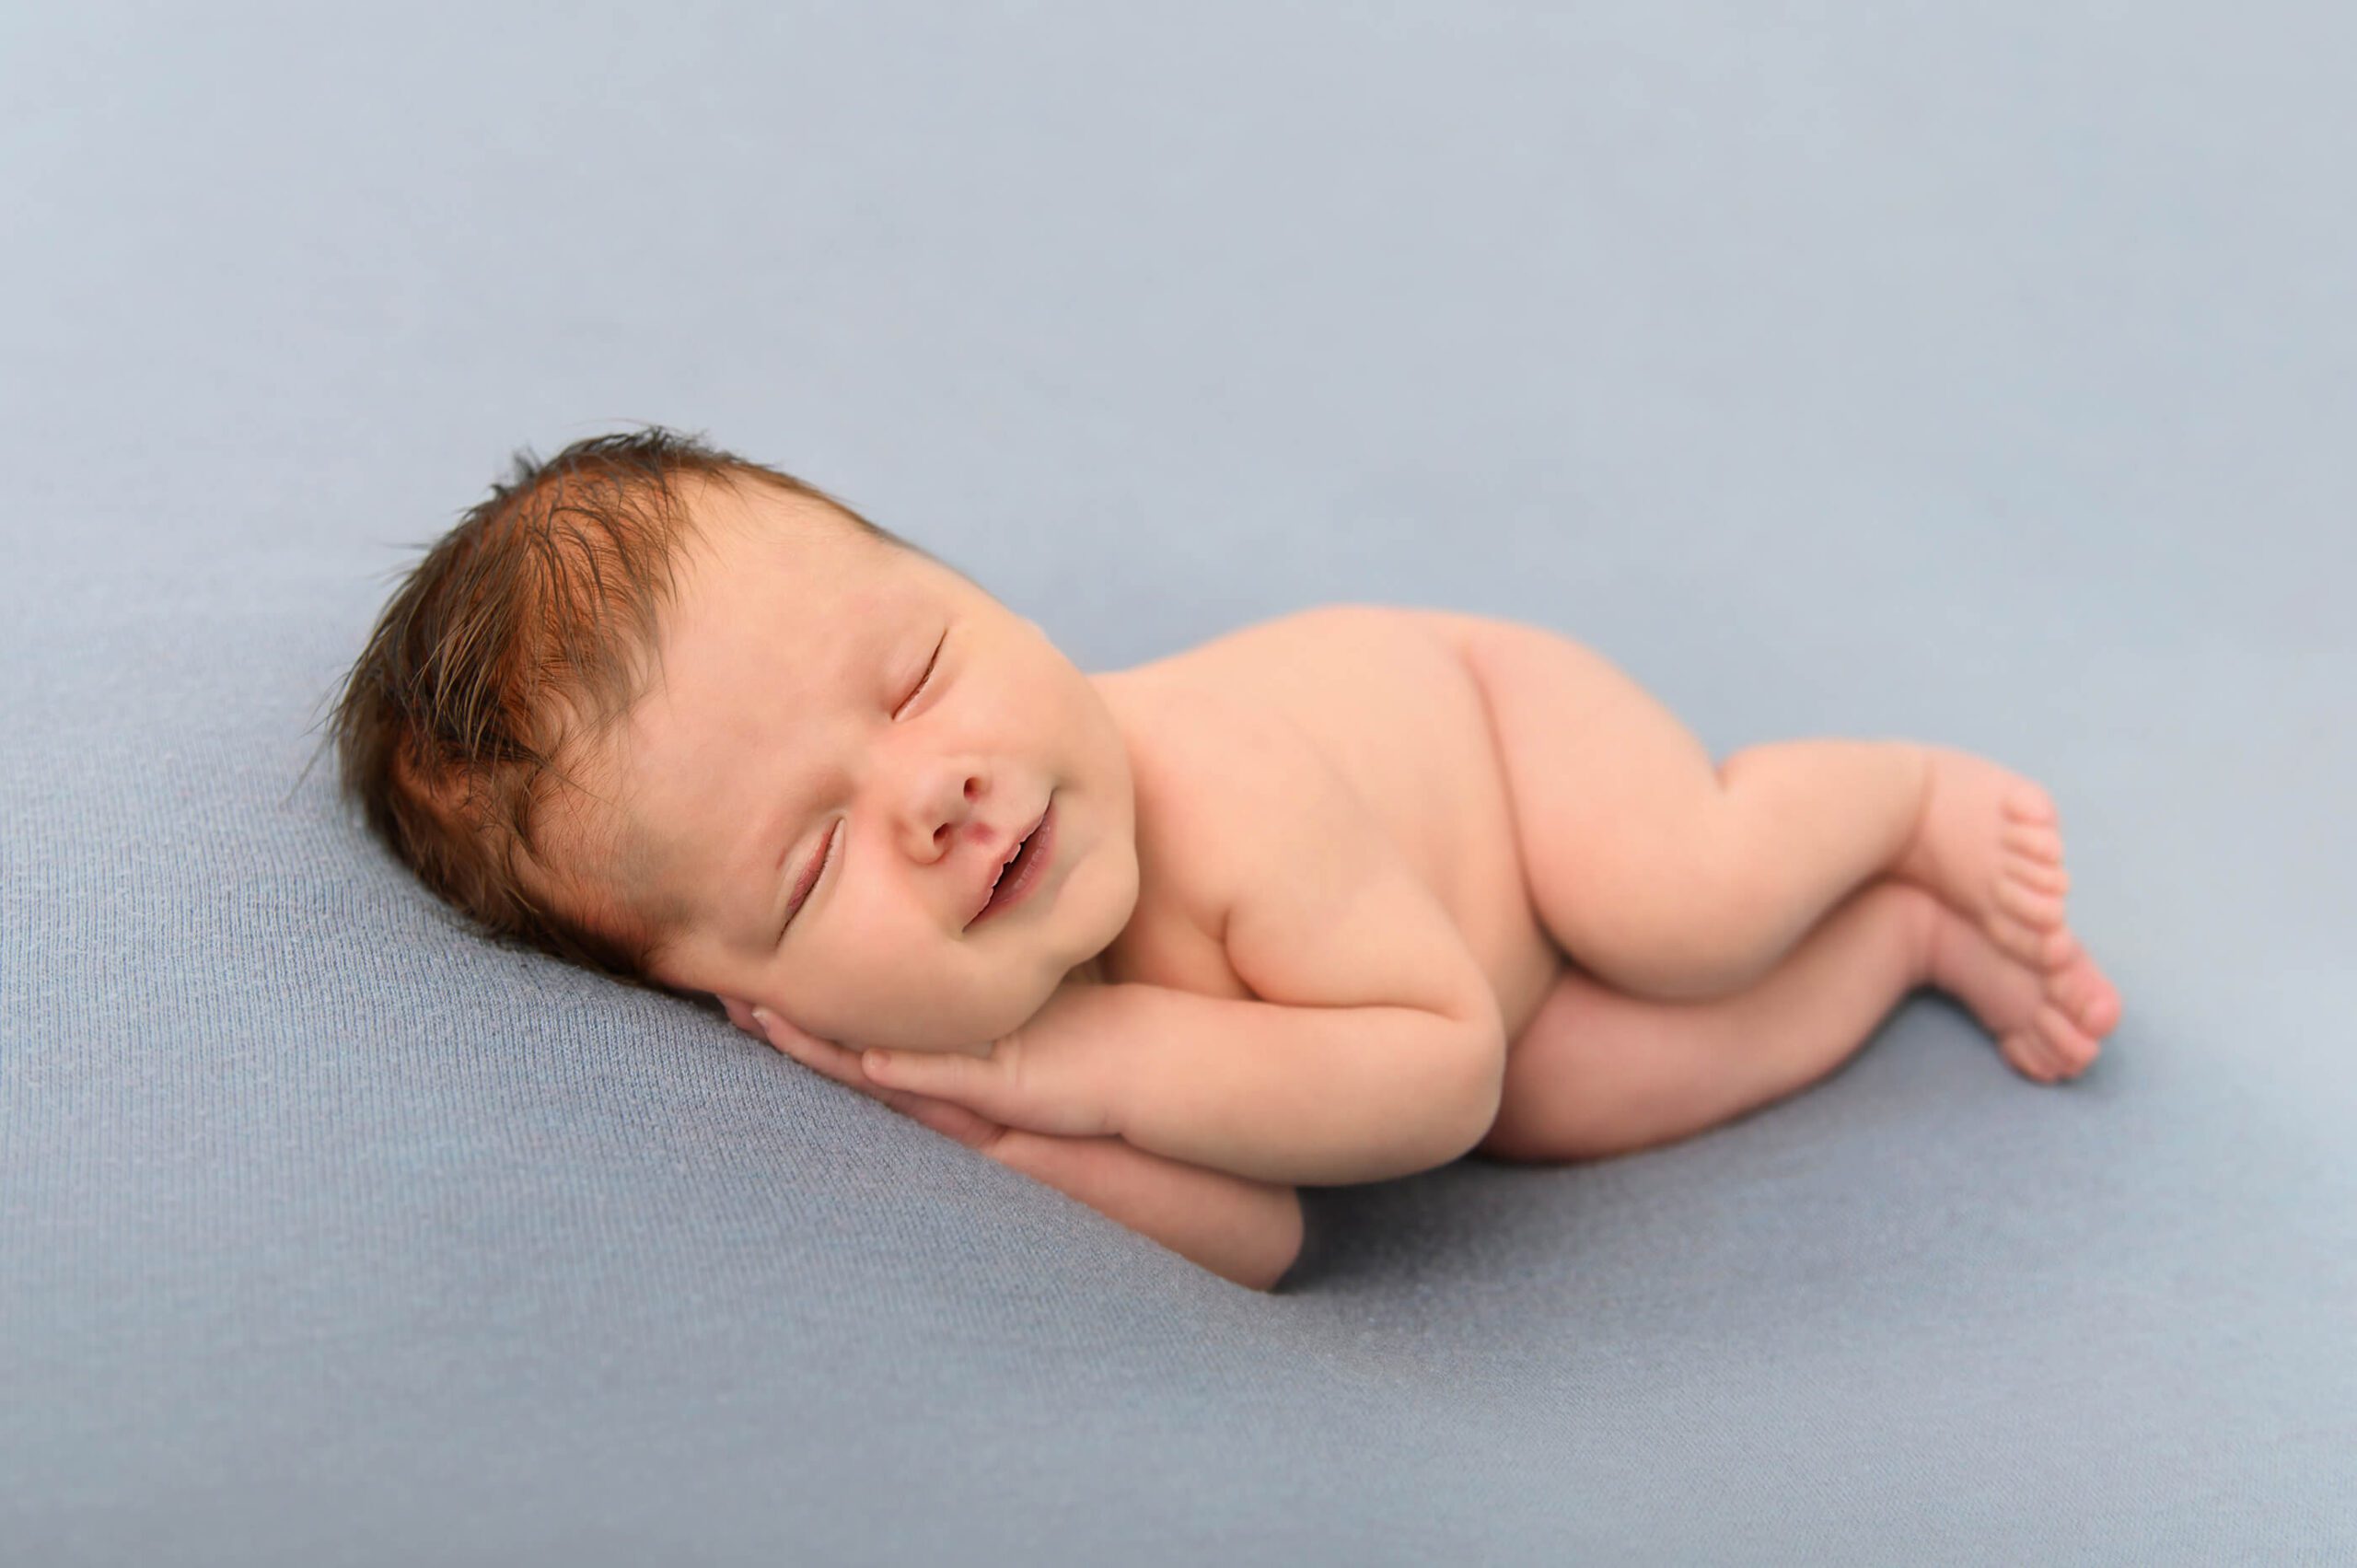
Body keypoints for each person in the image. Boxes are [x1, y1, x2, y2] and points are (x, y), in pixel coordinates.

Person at [328, 426, 2122, 1292]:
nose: (936, 793)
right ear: (741, 1000)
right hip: (1447, 1008)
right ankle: (1896, 949)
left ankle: (1888, 802)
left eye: (919, 667)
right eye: (808, 871)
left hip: (1494, 747)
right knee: (1572, 1100)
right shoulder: (943, 1041)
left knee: (1671, 901)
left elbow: (1427, 1077)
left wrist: (1074, 1062)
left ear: (977, 586)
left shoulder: (1224, 785)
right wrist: (1016, 1127)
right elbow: (1260, 1236)